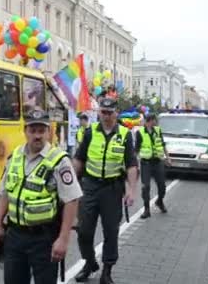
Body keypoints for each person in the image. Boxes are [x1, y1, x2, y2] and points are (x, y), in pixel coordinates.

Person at [0, 109, 82, 284]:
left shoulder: (59, 160)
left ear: (48, 132)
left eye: (41, 130)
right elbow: (4, 194)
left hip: (44, 238)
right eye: (33, 130)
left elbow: (72, 200)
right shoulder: (14, 156)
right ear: (25, 131)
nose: (37, 136)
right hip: (14, 235)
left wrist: (63, 239)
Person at [72, 98, 139, 284]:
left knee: (111, 231)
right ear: (99, 112)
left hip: (112, 189)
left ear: (116, 113)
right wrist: (69, 186)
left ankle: (107, 271)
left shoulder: (125, 134)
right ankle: (90, 262)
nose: (107, 116)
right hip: (90, 186)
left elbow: (131, 164)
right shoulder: (90, 132)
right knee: (83, 230)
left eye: (110, 112)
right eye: (103, 112)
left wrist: (131, 190)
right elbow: (79, 159)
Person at [134, 114, 170, 219]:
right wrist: (134, 165)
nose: (157, 122)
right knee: (146, 187)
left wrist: (168, 157)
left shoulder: (158, 130)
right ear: (150, 121)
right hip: (146, 163)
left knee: (162, 186)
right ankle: (146, 209)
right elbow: (136, 149)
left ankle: (159, 201)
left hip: (158, 162)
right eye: (155, 120)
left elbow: (163, 145)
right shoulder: (140, 133)